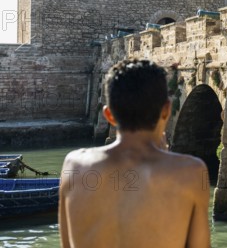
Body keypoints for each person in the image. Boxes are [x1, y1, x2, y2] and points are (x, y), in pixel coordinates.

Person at [59, 59, 211, 248]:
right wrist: (166, 157)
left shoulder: (74, 165)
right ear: (166, 110)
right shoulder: (191, 172)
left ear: (109, 115)